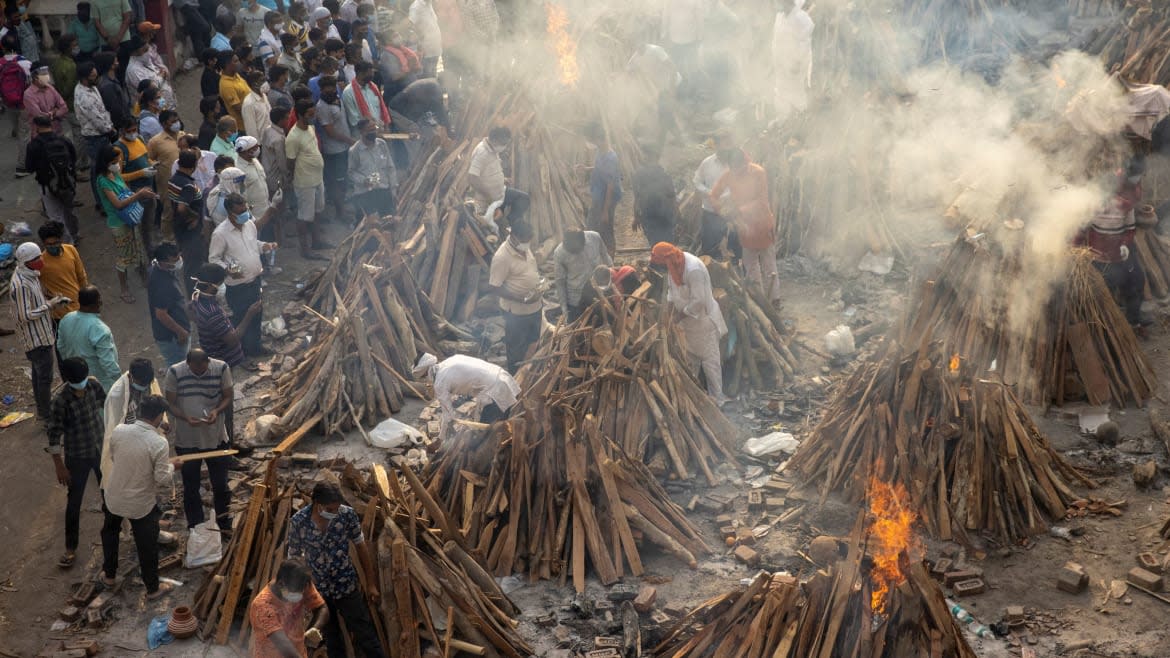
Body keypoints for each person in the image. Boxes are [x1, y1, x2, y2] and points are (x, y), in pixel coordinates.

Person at [286, 482, 385, 658]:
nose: (334, 513)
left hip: (345, 584)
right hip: (320, 591)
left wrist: (371, 584)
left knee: (365, 633)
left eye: (336, 508)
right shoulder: (298, 522)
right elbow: (294, 558)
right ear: (317, 503)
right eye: (330, 509)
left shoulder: (346, 515)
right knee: (332, 639)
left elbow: (361, 547)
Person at [100, 394, 178, 599]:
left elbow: (116, 457)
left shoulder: (119, 430)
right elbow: (162, 479)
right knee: (147, 545)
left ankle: (109, 575)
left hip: (114, 495)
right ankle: (152, 588)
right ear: (160, 416)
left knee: (109, 535)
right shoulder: (159, 443)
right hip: (140, 504)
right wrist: (173, 466)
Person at [650, 242, 728, 405]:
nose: (665, 270)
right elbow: (672, 293)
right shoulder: (673, 264)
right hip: (687, 325)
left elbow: (698, 301)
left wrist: (677, 317)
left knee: (709, 363)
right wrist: (668, 312)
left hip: (703, 321)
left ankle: (718, 400)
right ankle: (695, 398)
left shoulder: (694, 270)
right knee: (690, 361)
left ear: (668, 259)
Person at [46, 357, 107, 569]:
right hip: (77, 456)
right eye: (77, 380)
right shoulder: (60, 400)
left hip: (99, 449)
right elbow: (53, 435)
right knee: (74, 502)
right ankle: (70, 547)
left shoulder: (93, 385)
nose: (82, 383)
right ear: (68, 380)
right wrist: (59, 465)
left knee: (109, 491)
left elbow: (104, 402)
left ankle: (113, 532)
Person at [164, 348, 234, 529]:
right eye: (195, 371)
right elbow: (170, 403)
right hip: (187, 441)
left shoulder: (221, 368)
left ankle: (224, 522)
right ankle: (195, 526)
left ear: (207, 362)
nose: (199, 374)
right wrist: (185, 417)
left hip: (216, 438)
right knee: (191, 487)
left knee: (220, 485)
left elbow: (228, 396)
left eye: (202, 370)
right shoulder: (174, 372)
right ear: (188, 364)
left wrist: (217, 411)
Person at [1076, 159, 1147, 333]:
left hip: (1119, 255)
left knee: (1136, 282)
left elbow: (1130, 230)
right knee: (1103, 291)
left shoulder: (1126, 206)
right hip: (1098, 257)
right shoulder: (1092, 206)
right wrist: (1076, 249)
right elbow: (1081, 231)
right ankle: (1105, 327)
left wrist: (1125, 244)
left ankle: (1133, 322)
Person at [209, 192, 276, 356]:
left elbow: (254, 244)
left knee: (257, 313)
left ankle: (255, 346)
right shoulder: (220, 233)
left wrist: (265, 246)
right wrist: (229, 270)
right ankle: (243, 351)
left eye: (246, 209)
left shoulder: (249, 225)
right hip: (238, 286)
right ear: (230, 213)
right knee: (242, 317)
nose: (245, 214)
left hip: (255, 279)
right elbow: (214, 259)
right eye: (240, 212)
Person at [709, 149, 778, 303]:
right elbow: (713, 195)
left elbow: (761, 201)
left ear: (745, 162)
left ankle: (774, 299)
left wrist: (739, 209)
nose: (735, 172)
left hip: (762, 223)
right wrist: (720, 209)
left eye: (738, 168)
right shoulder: (729, 174)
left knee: (769, 265)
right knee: (750, 265)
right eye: (732, 168)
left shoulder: (758, 172)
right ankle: (759, 299)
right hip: (744, 226)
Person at [11, 243, 70, 421]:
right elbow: (24, 315)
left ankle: (43, 409)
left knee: (39, 375)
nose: (41, 260)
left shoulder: (31, 275)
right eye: (36, 259)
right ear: (27, 262)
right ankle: (46, 415)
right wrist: (48, 306)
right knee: (45, 378)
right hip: (35, 338)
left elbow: (36, 300)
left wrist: (53, 300)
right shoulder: (21, 284)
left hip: (42, 332)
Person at [96, 143, 159, 303]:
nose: (118, 164)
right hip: (119, 223)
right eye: (114, 162)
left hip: (131, 217)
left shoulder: (115, 175)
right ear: (106, 163)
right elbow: (117, 204)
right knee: (124, 257)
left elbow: (125, 191)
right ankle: (124, 290)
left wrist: (141, 194)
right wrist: (139, 195)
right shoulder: (103, 181)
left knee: (139, 249)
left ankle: (145, 278)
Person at [413, 353, 519, 433]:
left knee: (486, 432)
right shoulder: (450, 360)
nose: (425, 381)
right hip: (503, 377)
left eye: (423, 377)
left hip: (494, 392)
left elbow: (448, 415)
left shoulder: (440, 383)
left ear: (427, 373)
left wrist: (441, 438)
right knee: (504, 419)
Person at [487, 221, 542, 373]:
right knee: (516, 351)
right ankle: (514, 381)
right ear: (513, 236)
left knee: (534, 342)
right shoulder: (501, 257)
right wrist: (522, 298)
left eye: (528, 240)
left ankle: (528, 375)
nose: (527, 243)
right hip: (517, 313)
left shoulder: (524, 246)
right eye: (524, 240)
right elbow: (494, 287)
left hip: (535, 308)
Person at [100, 358, 159, 498]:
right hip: (127, 440)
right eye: (142, 384)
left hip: (143, 437)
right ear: (131, 377)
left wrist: (160, 423)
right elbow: (115, 430)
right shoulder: (117, 395)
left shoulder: (146, 380)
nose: (145, 387)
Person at [249, 559, 330, 658]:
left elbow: (322, 608)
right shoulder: (262, 606)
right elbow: (284, 647)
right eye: (295, 593)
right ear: (281, 584)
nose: (300, 596)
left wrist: (314, 629)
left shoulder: (301, 583)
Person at [286, 98, 331, 258]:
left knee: (318, 211)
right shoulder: (293, 137)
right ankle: (305, 250)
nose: (313, 117)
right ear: (299, 115)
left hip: (318, 178)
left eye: (314, 113)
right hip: (305, 182)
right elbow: (290, 162)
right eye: (309, 114)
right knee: (304, 216)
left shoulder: (310, 128)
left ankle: (317, 241)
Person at [56, 286, 121, 393]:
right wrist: (120, 381)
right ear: (97, 303)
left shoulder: (66, 319)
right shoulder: (100, 329)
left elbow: (61, 347)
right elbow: (107, 363)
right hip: (101, 384)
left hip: (77, 381)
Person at [26, 116, 80, 240]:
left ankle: (67, 242)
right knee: (69, 210)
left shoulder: (33, 145)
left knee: (55, 215)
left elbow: (29, 168)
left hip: (46, 185)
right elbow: (74, 158)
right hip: (67, 182)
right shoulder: (64, 140)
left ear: (37, 127)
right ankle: (75, 234)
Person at [190, 263, 255, 366]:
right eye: (220, 283)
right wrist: (250, 314)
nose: (222, 286)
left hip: (212, 352)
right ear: (211, 286)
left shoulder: (197, 296)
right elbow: (232, 340)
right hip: (224, 360)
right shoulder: (213, 312)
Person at [469, 126, 529, 232]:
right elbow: (472, 178)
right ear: (495, 140)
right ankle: (500, 227)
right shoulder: (482, 153)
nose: (505, 146)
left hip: (501, 192)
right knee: (490, 226)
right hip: (490, 199)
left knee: (523, 198)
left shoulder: (492, 148)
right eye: (503, 143)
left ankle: (511, 223)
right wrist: (487, 194)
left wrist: (503, 179)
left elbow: (489, 170)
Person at [115, 116, 158, 255]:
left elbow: (146, 159)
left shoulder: (139, 139)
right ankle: (143, 257)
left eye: (135, 129)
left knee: (149, 223)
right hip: (135, 193)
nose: (133, 133)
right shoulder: (119, 149)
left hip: (149, 189)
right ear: (122, 131)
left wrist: (152, 164)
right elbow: (118, 176)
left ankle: (150, 249)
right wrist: (140, 173)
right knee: (140, 228)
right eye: (130, 131)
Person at [75, 60, 114, 208]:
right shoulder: (84, 97)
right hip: (95, 137)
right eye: (92, 76)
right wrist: (110, 129)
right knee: (98, 171)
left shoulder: (91, 88)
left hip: (101, 133)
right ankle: (102, 203)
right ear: (85, 78)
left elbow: (102, 110)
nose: (96, 77)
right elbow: (98, 121)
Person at [693, 131, 738, 257]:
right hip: (710, 213)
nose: (728, 148)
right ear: (717, 145)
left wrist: (728, 196)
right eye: (725, 144)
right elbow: (697, 181)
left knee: (732, 251)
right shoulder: (707, 163)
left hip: (731, 214)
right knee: (710, 250)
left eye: (730, 145)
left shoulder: (736, 164)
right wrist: (710, 193)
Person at [553, 228, 612, 322]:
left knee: (605, 325)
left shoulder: (595, 237)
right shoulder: (559, 253)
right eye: (573, 253)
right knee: (578, 333)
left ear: (584, 242)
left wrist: (612, 275)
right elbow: (560, 282)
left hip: (599, 293)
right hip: (576, 299)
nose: (576, 254)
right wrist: (564, 309)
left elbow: (605, 256)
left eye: (578, 250)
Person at [147, 242, 192, 365]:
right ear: (164, 262)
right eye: (175, 259)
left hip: (172, 330)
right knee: (180, 366)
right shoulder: (163, 285)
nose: (179, 261)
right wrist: (181, 332)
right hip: (172, 337)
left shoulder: (157, 268)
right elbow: (161, 314)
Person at [315, 75, 353, 218]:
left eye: (333, 87)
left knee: (343, 178)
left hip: (344, 146)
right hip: (334, 150)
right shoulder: (321, 106)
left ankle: (342, 206)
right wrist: (349, 140)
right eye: (328, 88)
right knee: (336, 181)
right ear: (322, 90)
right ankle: (340, 211)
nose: (331, 90)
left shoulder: (337, 98)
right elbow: (330, 132)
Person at [169, 150, 209, 287]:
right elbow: (181, 208)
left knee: (189, 261)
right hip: (190, 231)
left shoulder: (173, 179)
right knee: (193, 265)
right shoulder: (188, 186)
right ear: (194, 165)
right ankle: (194, 297)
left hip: (179, 227)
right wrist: (195, 217)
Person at [771, 0, 813, 122]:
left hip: (795, 63)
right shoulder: (779, 16)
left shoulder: (801, 17)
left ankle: (801, 117)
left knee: (796, 90)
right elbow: (775, 39)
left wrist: (798, 62)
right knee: (781, 89)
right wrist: (774, 59)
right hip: (781, 61)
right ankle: (783, 118)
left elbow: (805, 42)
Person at [37, 222, 88, 322]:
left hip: (79, 306)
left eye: (56, 243)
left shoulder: (71, 250)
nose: (53, 246)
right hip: (60, 315)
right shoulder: (40, 262)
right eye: (49, 244)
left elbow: (81, 275)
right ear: (43, 244)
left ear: (61, 239)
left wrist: (86, 297)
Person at [347, 117, 396, 219]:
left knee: (389, 220)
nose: (373, 132)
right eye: (370, 130)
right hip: (366, 193)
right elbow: (351, 173)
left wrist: (393, 189)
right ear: (361, 132)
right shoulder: (355, 151)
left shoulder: (382, 144)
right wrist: (363, 181)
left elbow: (390, 167)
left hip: (383, 189)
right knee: (372, 224)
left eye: (374, 129)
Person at [584, 123, 621, 255]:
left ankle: (610, 256)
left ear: (601, 140)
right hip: (598, 196)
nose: (594, 144)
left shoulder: (611, 158)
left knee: (606, 227)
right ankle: (599, 254)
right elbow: (600, 169)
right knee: (593, 225)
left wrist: (605, 210)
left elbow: (610, 186)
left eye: (595, 141)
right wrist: (586, 168)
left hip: (607, 198)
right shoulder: (601, 152)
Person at [52, 33, 87, 172]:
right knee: (79, 136)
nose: (76, 48)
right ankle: (78, 164)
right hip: (72, 105)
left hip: (66, 104)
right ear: (67, 48)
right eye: (74, 45)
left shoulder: (58, 62)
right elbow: (67, 89)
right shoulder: (70, 66)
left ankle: (81, 162)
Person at [632, 143, 678, 248]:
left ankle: (661, 261)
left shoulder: (640, 174)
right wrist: (636, 216)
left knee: (657, 245)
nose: (645, 157)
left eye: (647, 155)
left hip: (657, 216)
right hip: (656, 216)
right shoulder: (662, 173)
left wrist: (636, 216)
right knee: (665, 245)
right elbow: (672, 196)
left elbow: (672, 196)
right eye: (645, 155)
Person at [0, 33, 31, 173]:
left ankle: (25, 159)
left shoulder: (0, 63)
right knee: (25, 134)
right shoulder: (25, 63)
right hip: (24, 103)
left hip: (8, 103)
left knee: (19, 133)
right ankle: (23, 166)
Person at [341, 60, 389, 132]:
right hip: (363, 136)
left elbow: (381, 108)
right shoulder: (348, 92)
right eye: (370, 73)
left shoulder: (373, 87)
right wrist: (373, 128)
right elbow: (354, 121)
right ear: (360, 73)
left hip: (380, 132)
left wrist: (385, 126)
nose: (372, 75)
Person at [23, 65, 69, 139]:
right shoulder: (28, 94)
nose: (47, 76)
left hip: (57, 132)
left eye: (46, 73)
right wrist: (55, 110)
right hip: (41, 135)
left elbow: (64, 107)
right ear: (35, 77)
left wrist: (54, 113)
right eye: (43, 74)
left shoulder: (50, 88)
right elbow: (39, 116)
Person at [378, 27, 420, 100]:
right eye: (395, 36)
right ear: (388, 41)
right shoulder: (387, 55)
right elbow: (395, 76)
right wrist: (410, 66)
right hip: (397, 96)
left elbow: (414, 69)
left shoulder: (403, 50)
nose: (398, 37)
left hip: (409, 92)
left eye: (398, 35)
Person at [95, 51, 131, 131]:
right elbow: (114, 109)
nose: (118, 63)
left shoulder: (112, 79)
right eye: (116, 61)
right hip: (121, 125)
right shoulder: (107, 85)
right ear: (111, 65)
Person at [409, 0, 441, 77]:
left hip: (435, 50)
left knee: (432, 77)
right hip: (426, 52)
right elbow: (410, 26)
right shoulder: (416, 6)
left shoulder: (429, 4)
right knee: (426, 78)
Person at [218, 51, 250, 129]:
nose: (239, 63)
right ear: (227, 65)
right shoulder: (226, 86)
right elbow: (239, 109)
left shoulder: (235, 75)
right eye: (235, 61)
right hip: (245, 125)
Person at [242, 69, 273, 139]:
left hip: (270, 138)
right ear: (254, 84)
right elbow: (251, 130)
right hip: (261, 143)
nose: (265, 83)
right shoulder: (249, 104)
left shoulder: (264, 95)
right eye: (262, 80)